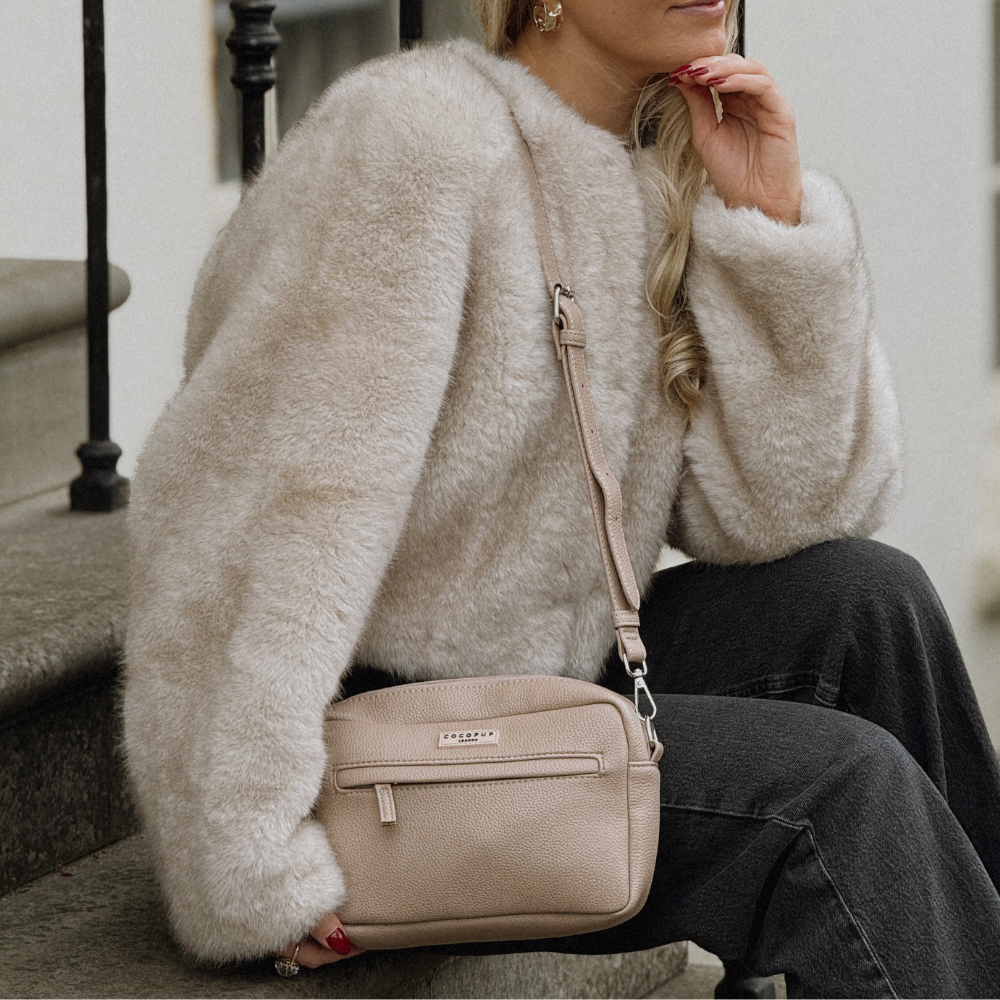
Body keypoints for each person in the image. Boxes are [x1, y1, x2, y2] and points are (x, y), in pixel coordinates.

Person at [122, 0, 1000, 995]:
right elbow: (246, 515)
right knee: (844, 791)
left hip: (557, 677)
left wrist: (768, 223)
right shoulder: (411, 140)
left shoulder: (650, 163)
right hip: (393, 759)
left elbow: (787, 513)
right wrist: (249, 862)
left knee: (871, 600)